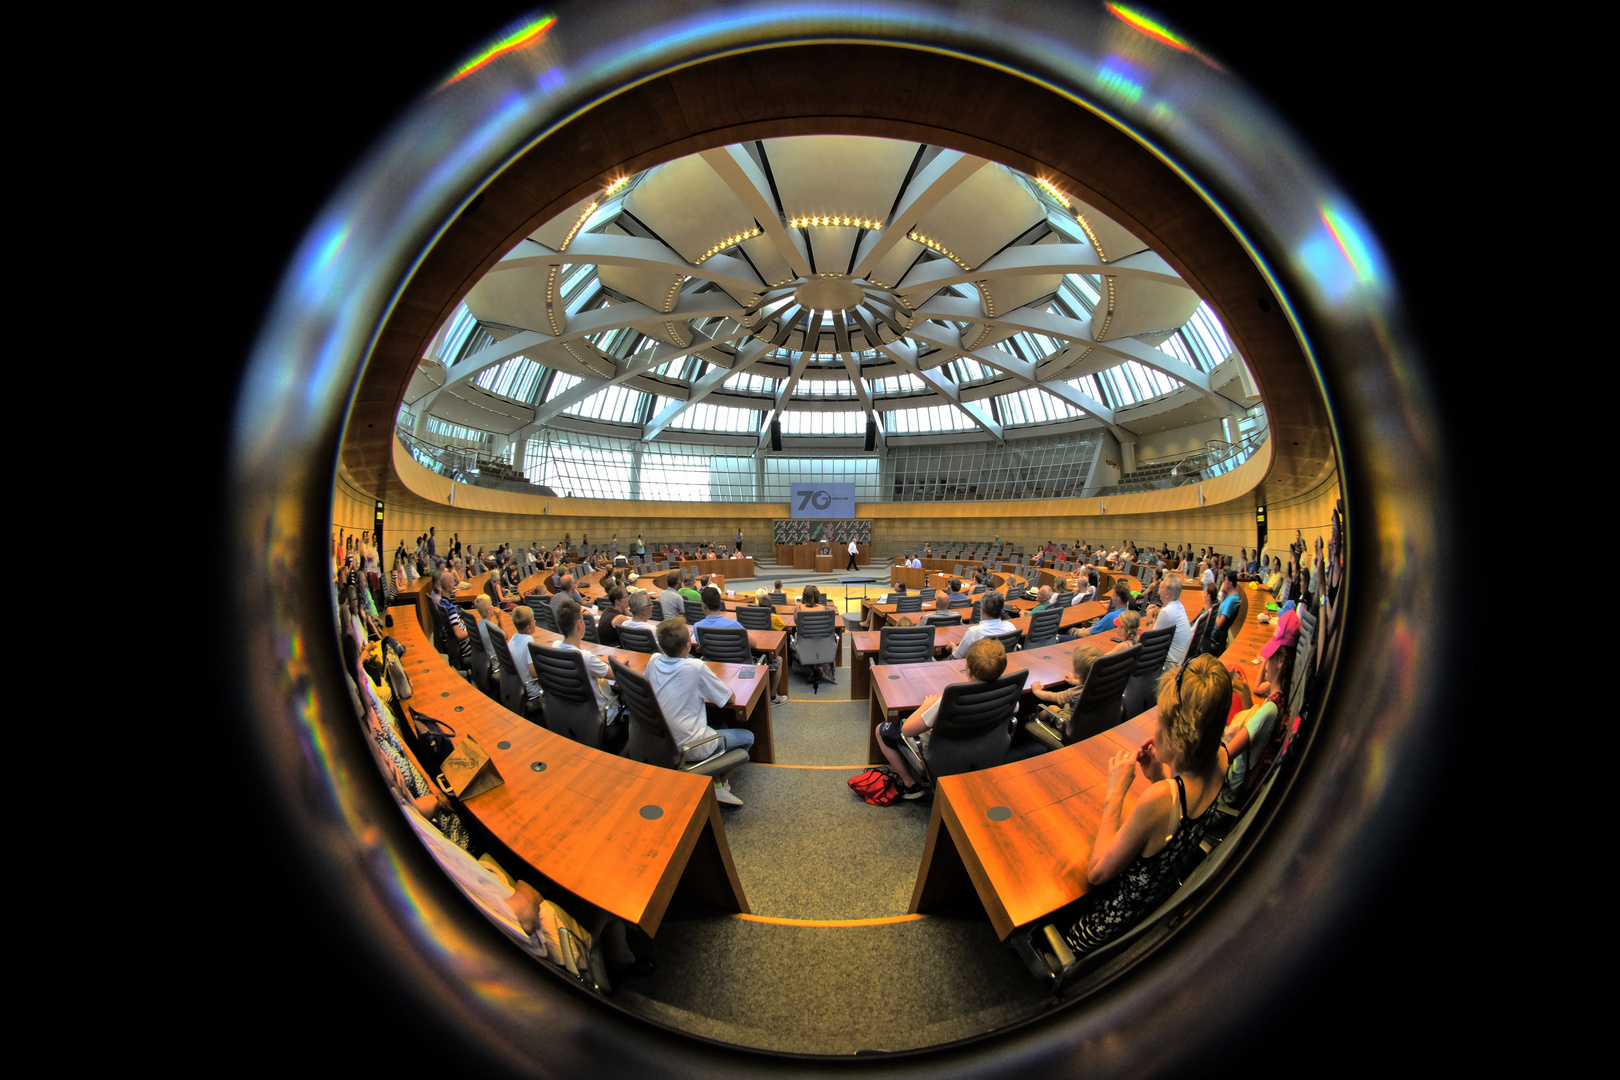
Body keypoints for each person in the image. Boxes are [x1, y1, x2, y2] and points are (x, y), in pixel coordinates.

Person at [1050, 654, 1230, 955]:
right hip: (1155, 906)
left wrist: (1116, 791)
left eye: (1160, 722)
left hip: (1104, 929)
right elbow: (1173, 823)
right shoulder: (1221, 757)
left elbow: (1096, 874)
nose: (1155, 730)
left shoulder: (1159, 801)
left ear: (1180, 739)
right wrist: (1159, 775)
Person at [874, 638, 1009, 799]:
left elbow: (907, 730)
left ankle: (910, 785)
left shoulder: (949, 699)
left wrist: (926, 705)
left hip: (940, 751)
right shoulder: (1007, 694)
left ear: (968, 670)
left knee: (881, 730)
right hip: (981, 746)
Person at [648, 616, 752, 806]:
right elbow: (729, 699)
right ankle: (718, 786)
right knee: (747, 737)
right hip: (690, 746)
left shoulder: (654, 660)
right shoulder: (695, 667)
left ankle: (716, 780)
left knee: (720, 723)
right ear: (688, 645)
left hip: (661, 741)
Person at [1029, 643, 1103, 739]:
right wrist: (1076, 681)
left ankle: (1032, 718)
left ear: (1078, 672)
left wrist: (1036, 690)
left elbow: (1051, 696)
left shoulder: (1074, 693)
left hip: (1071, 728)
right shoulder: (1104, 682)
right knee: (1066, 705)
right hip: (1096, 722)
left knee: (1052, 708)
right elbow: (1087, 682)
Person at [952, 590, 1017, 658]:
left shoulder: (973, 632)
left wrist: (953, 646)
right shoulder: (1010, 627)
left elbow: (958, 656)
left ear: (982, 611)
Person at [505, 605, 545, 712]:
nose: (535, 621)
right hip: (532, 691)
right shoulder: (529, 640)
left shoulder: (514, 638)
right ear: (528, 626)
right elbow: (534, 673)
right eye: (533, 620)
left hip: (518, 686)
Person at [1155, 575, 1194, 668]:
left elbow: (1150, 642)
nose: (1159, 591)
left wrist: (1149, 619)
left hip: (1170, 665)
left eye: (1161, 588)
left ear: (1167, 594)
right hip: (1181, 661)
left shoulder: (1166, 612)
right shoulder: (1179, 605)